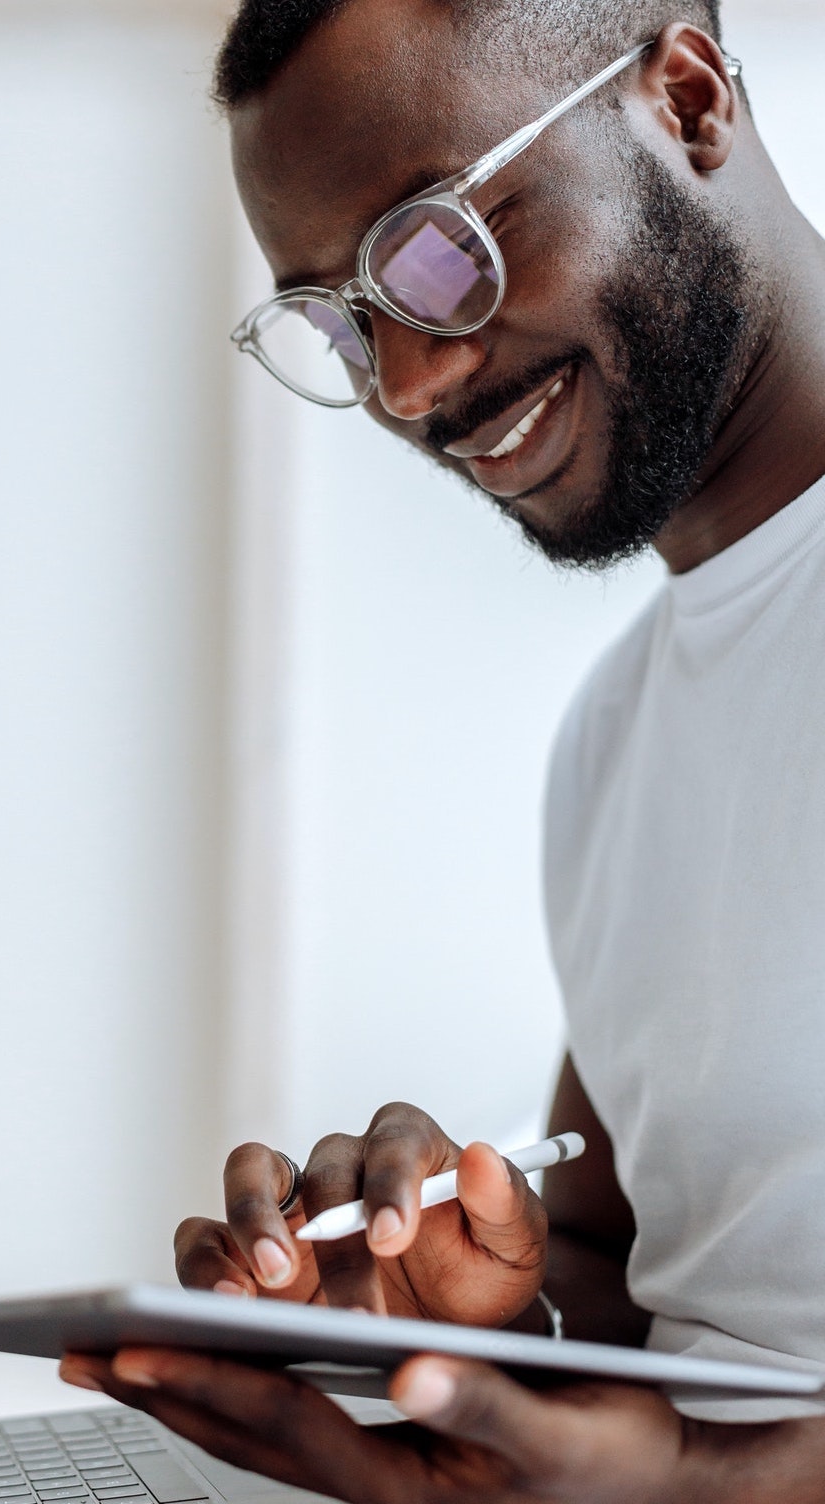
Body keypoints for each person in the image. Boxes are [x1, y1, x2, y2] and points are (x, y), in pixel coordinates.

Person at [61, 0, 825, 1498]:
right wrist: (466, 1323)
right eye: (342, 320)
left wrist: (704, 1485)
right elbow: (629, 1261)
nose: (406, 388)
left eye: (436, 247)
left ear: (683, 101)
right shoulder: (614, 738)